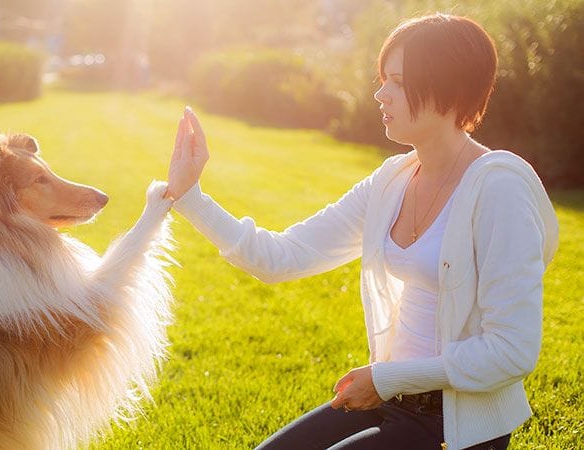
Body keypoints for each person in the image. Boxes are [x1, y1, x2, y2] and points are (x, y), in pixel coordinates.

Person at [164, 13, 559, 450]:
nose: (379, 93)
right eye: (381, 78)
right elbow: (282, 256)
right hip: (392, 397)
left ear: (449, 89)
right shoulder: (391, 181)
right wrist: (191, 197)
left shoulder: (499, 187)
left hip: (458, 423)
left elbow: (512, 350)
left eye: (397, 81)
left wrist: (387, 377)